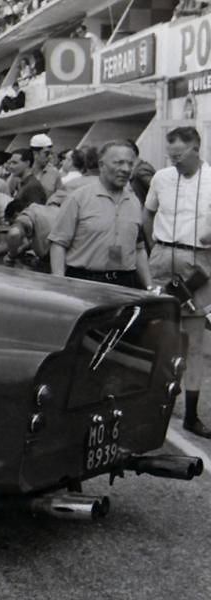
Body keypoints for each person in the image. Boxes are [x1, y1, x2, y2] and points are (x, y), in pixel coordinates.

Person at [144, 126, 211, 438]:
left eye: (180, 155)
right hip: (162, 256)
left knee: (194, 342)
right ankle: (155, 405)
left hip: (198, 261)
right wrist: (154, 250)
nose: (175, 161)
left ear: (197, 148)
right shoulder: (161, 178)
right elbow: (147, 215)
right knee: (160, 337)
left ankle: (191, 415)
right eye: (171, 156)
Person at [48, 140, 152, 290]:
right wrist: (59, 283)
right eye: (118, 163)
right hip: (84, 283)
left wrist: (150, 286)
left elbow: (139, 249)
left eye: (130, 164)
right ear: (102, 165)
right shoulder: (78, 198)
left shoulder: (134, 202)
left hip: (124, 284)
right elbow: (58, 243)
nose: (126, 169)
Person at [29, 133, 62, 198]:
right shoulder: (22, 169)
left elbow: (61, 195)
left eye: (51, 153)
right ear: (35, 153)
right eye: (46, 153)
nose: (50, 157)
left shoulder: (54, 172)